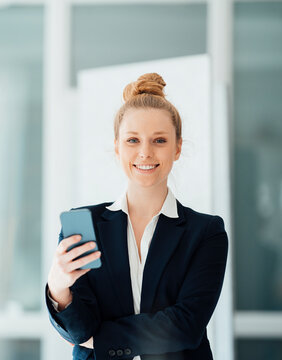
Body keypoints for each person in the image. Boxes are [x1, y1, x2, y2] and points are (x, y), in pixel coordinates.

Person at [45, 73, 229, 360]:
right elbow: (80, 332)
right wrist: (58, 287)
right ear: (117, 147)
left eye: (159, 140)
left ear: (177, 148)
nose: (145, 152)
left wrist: (102, 338)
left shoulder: (206, 232)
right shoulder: (86, 226)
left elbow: (185, 325)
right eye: (133, 140)